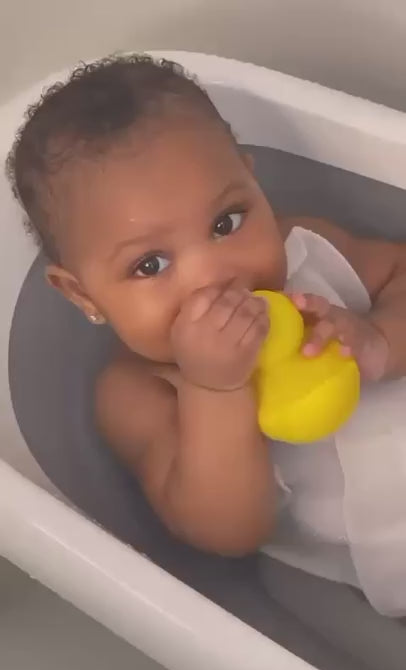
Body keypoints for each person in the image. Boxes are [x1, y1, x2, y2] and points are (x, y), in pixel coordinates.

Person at [6, 54, 406, 615]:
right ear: (82, 294)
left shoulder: (305, 246)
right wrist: (215, 390)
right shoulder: (137, 391)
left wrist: (380, 340)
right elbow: (226, 532)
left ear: (252, 180)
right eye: (149, 265)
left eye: (226, 222)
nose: (212, 275)